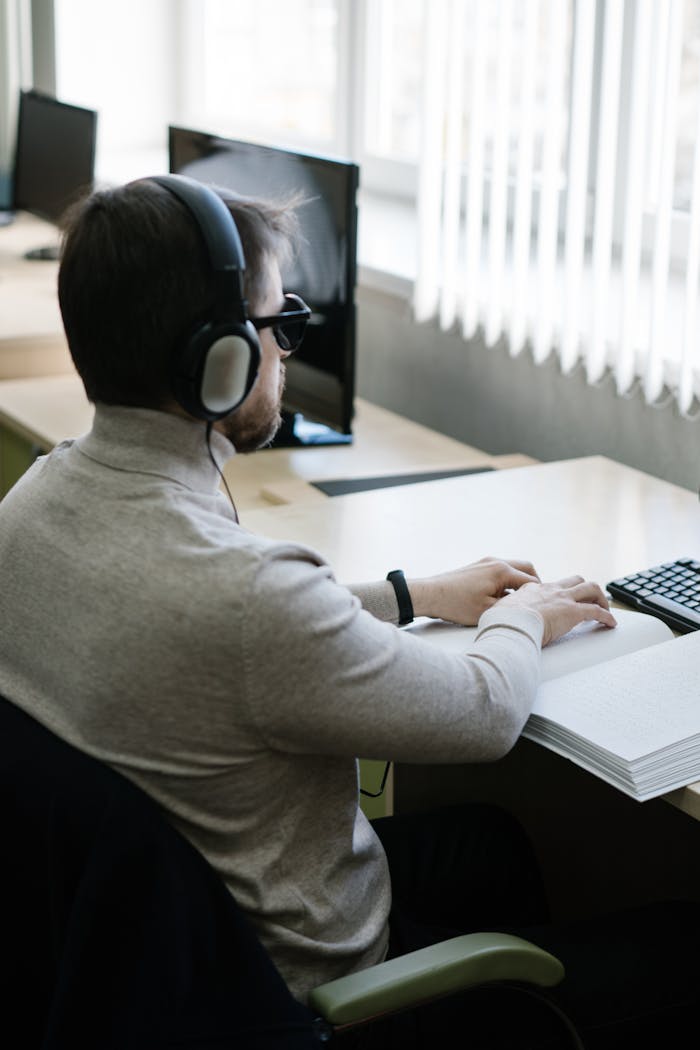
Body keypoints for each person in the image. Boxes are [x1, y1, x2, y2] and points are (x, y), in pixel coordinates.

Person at [0, 174, 698, 1048]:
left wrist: (410, 595)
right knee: (685, 948)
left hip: (156, 957)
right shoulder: (250, 597)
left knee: (491, 842)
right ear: (218, 360)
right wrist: (526, 618)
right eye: (278, 325)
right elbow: (483, 713)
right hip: (294, 993)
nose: (288, 351)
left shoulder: (34, 503)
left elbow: (213, 628)